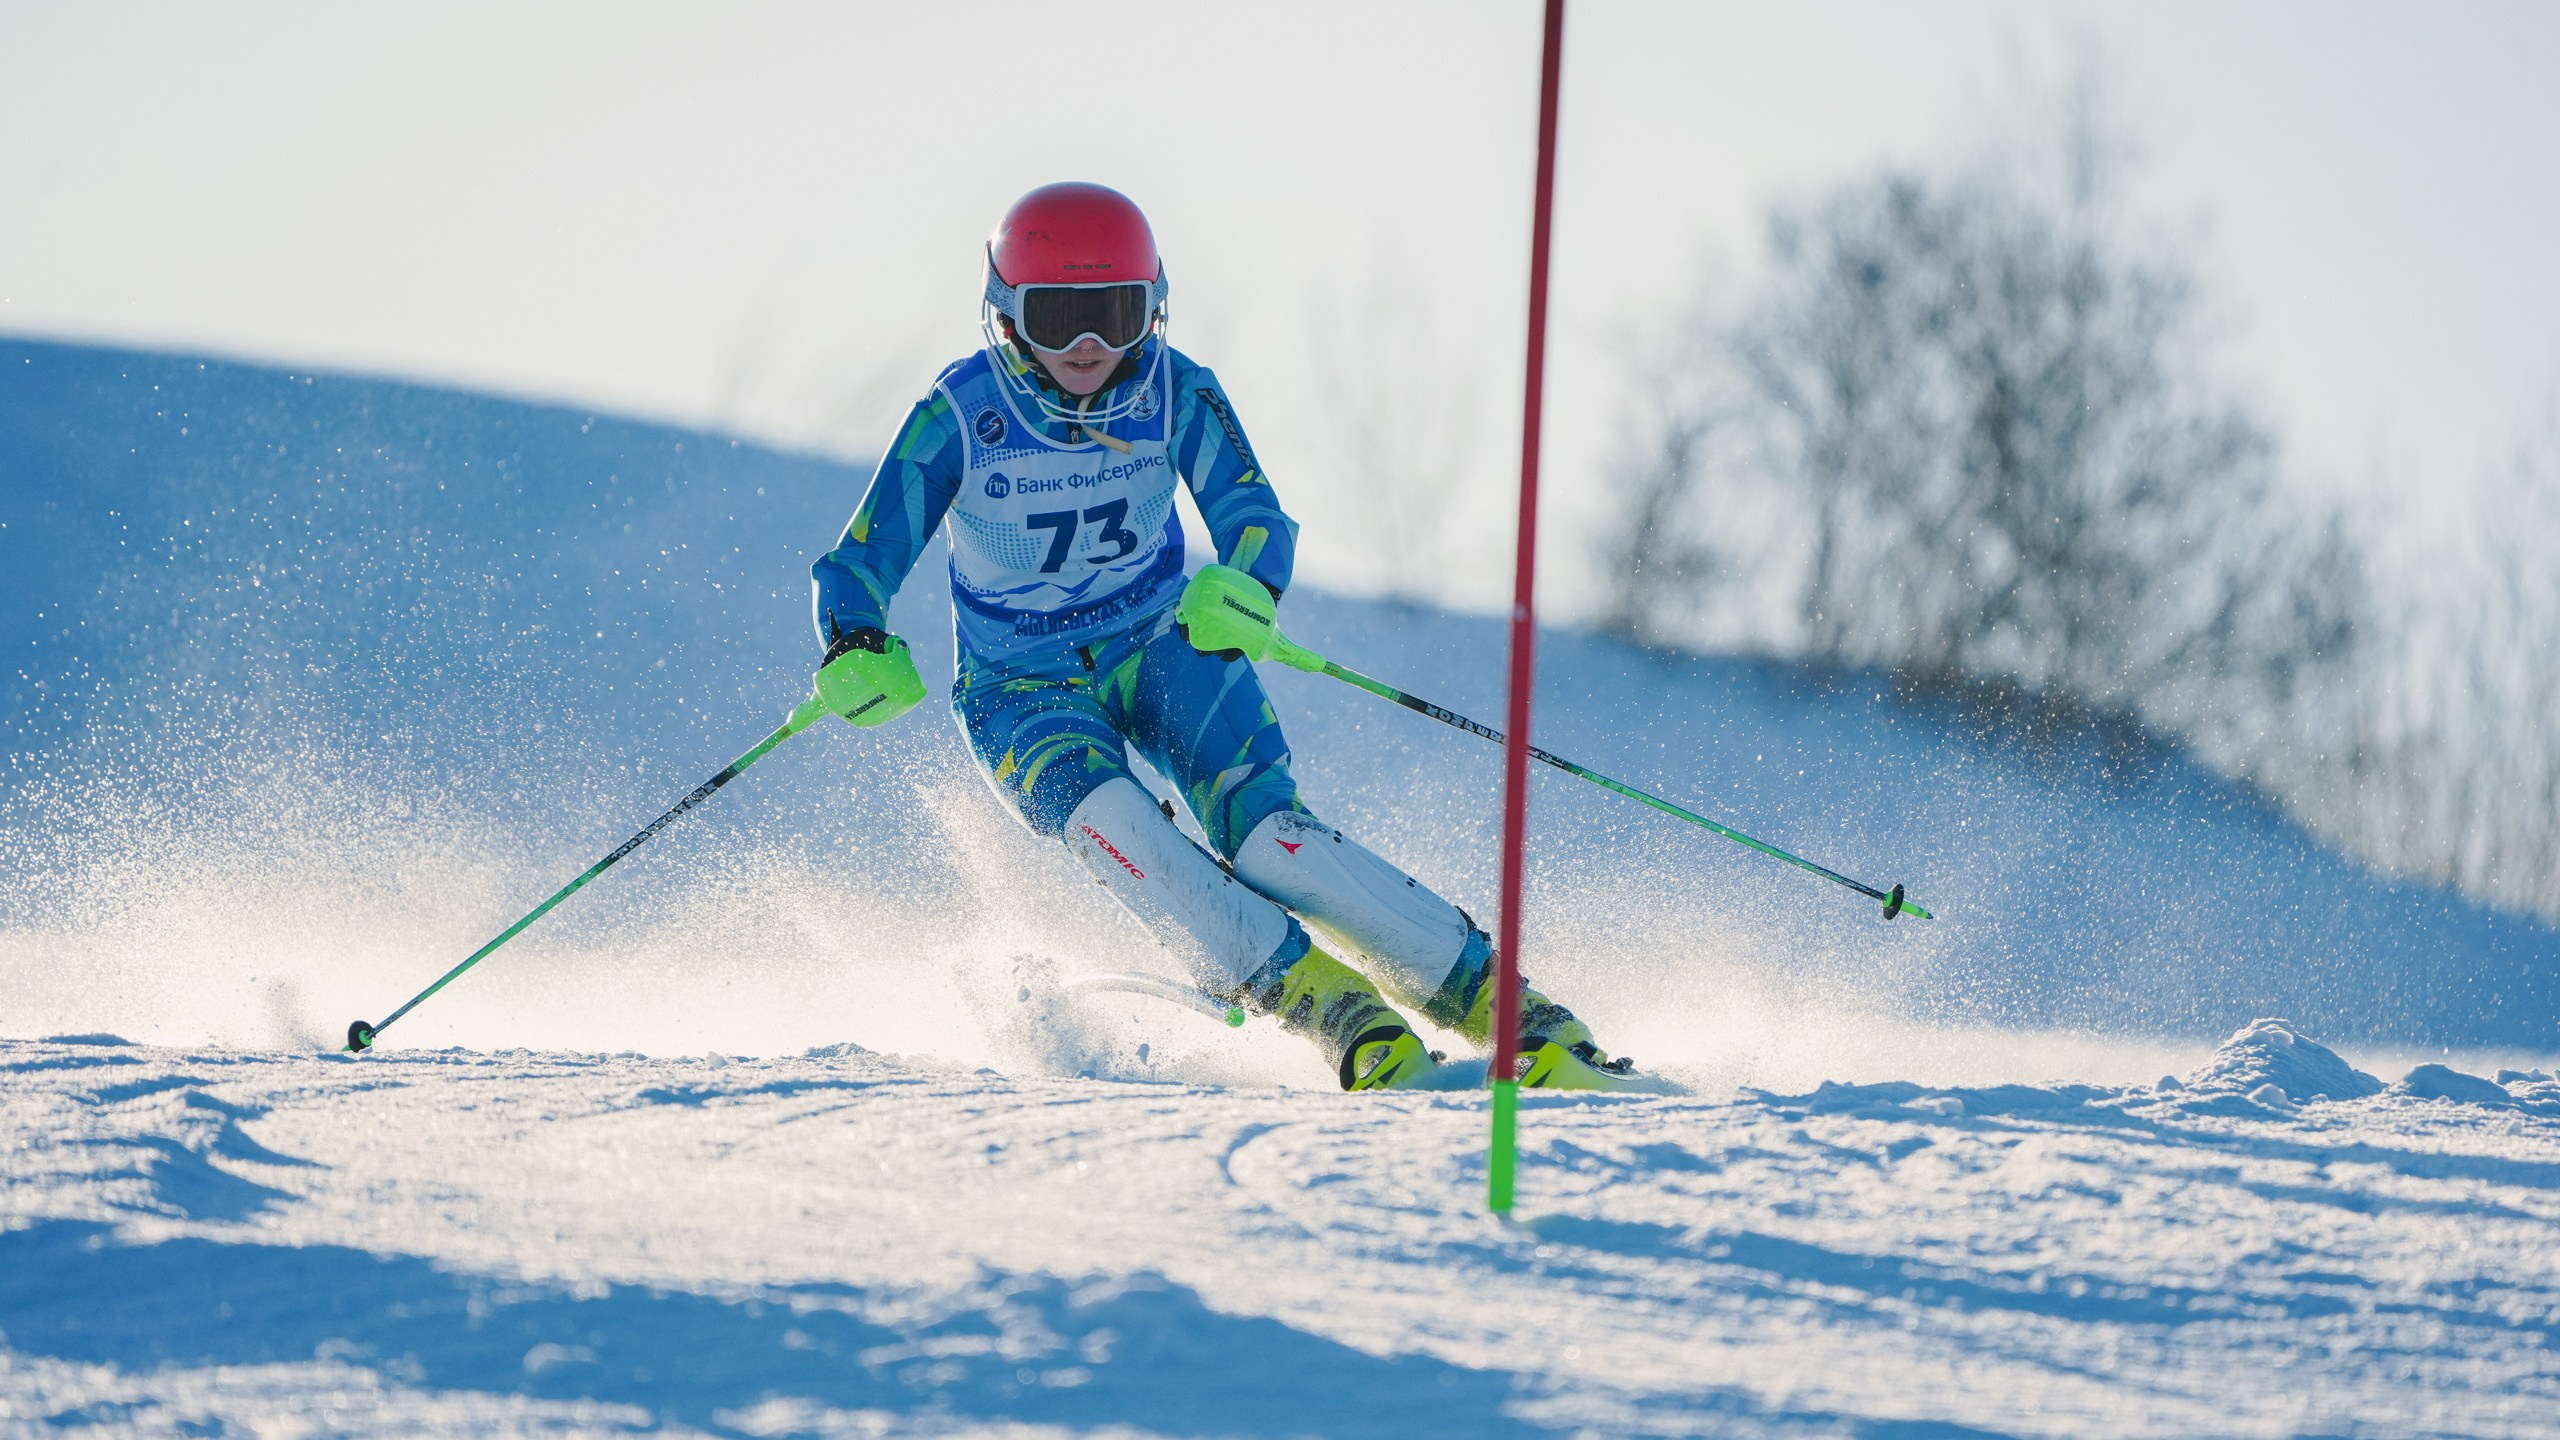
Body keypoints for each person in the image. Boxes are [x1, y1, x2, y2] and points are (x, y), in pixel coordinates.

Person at [808, 181, 1634, 1092]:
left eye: (1115, 315)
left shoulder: (1178, 393)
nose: (1089, 347)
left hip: (1164, 647)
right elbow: (861, 559)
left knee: (1273, 839)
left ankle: (1512, 1011)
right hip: (1019, 688)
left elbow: (1253, 515)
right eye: (1057, 318)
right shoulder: (961, 414)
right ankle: (1337, 1013)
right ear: (1007, 317)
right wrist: (853, 640)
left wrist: (1246, 585)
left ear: (1152, 309)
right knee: (1118, 827)